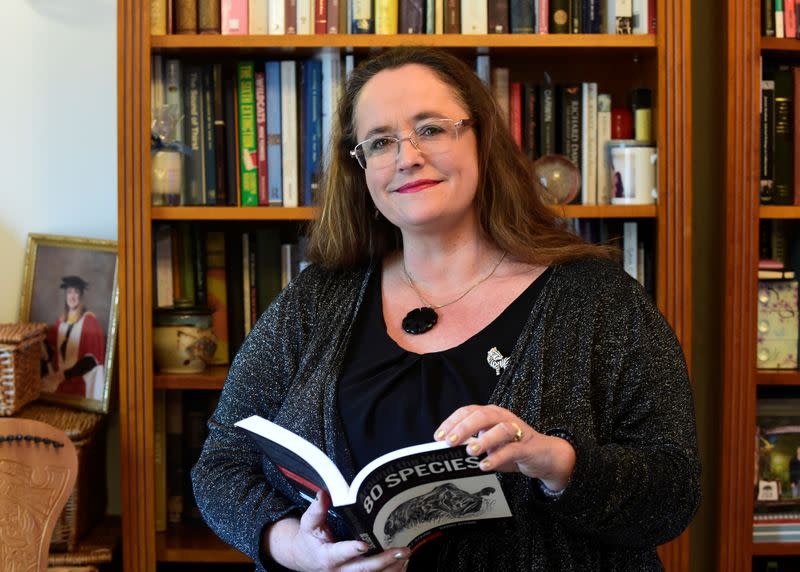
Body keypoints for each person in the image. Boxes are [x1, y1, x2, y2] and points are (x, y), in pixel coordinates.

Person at [192, 47, 701, 571]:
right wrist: (291, 548)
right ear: (362, 169)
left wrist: (559, 464)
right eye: (381, 142)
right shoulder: (316, 298)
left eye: (431, 129)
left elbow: (674, 494)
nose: (407, 156)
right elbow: (221, 468)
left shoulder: (599, 300)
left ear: (482, 140)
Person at [42, 275, 106, 401]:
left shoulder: (89, 321)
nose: (72, 296)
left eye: (76, 292)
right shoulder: (61, 323)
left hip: (78, 377)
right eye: (69, 292)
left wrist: (66, 375)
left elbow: (92, 360)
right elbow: (50, 349)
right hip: (60, 375)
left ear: (81, 296)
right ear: (65, 296)